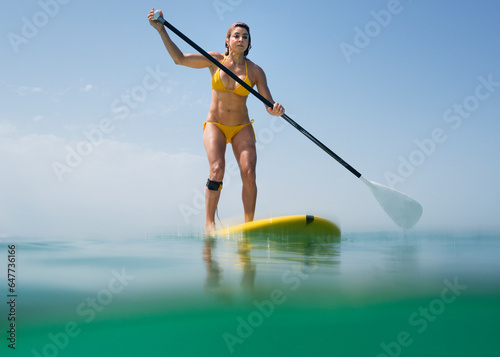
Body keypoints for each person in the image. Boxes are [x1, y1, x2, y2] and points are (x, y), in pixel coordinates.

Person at [148, 8, 285, 233]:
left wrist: (276, 110)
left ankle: (248, 228)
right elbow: (179, 59)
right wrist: (161, 30)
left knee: (249, 173)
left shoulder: (257, 71)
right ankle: (209, 224)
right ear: (228, 40)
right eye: (236, 35)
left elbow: (269, 106)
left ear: (250, 43)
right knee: (217, 168)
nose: (241, 39)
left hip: (242, 128)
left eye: (245, 37)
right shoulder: (214, 60)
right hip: (215, 126)